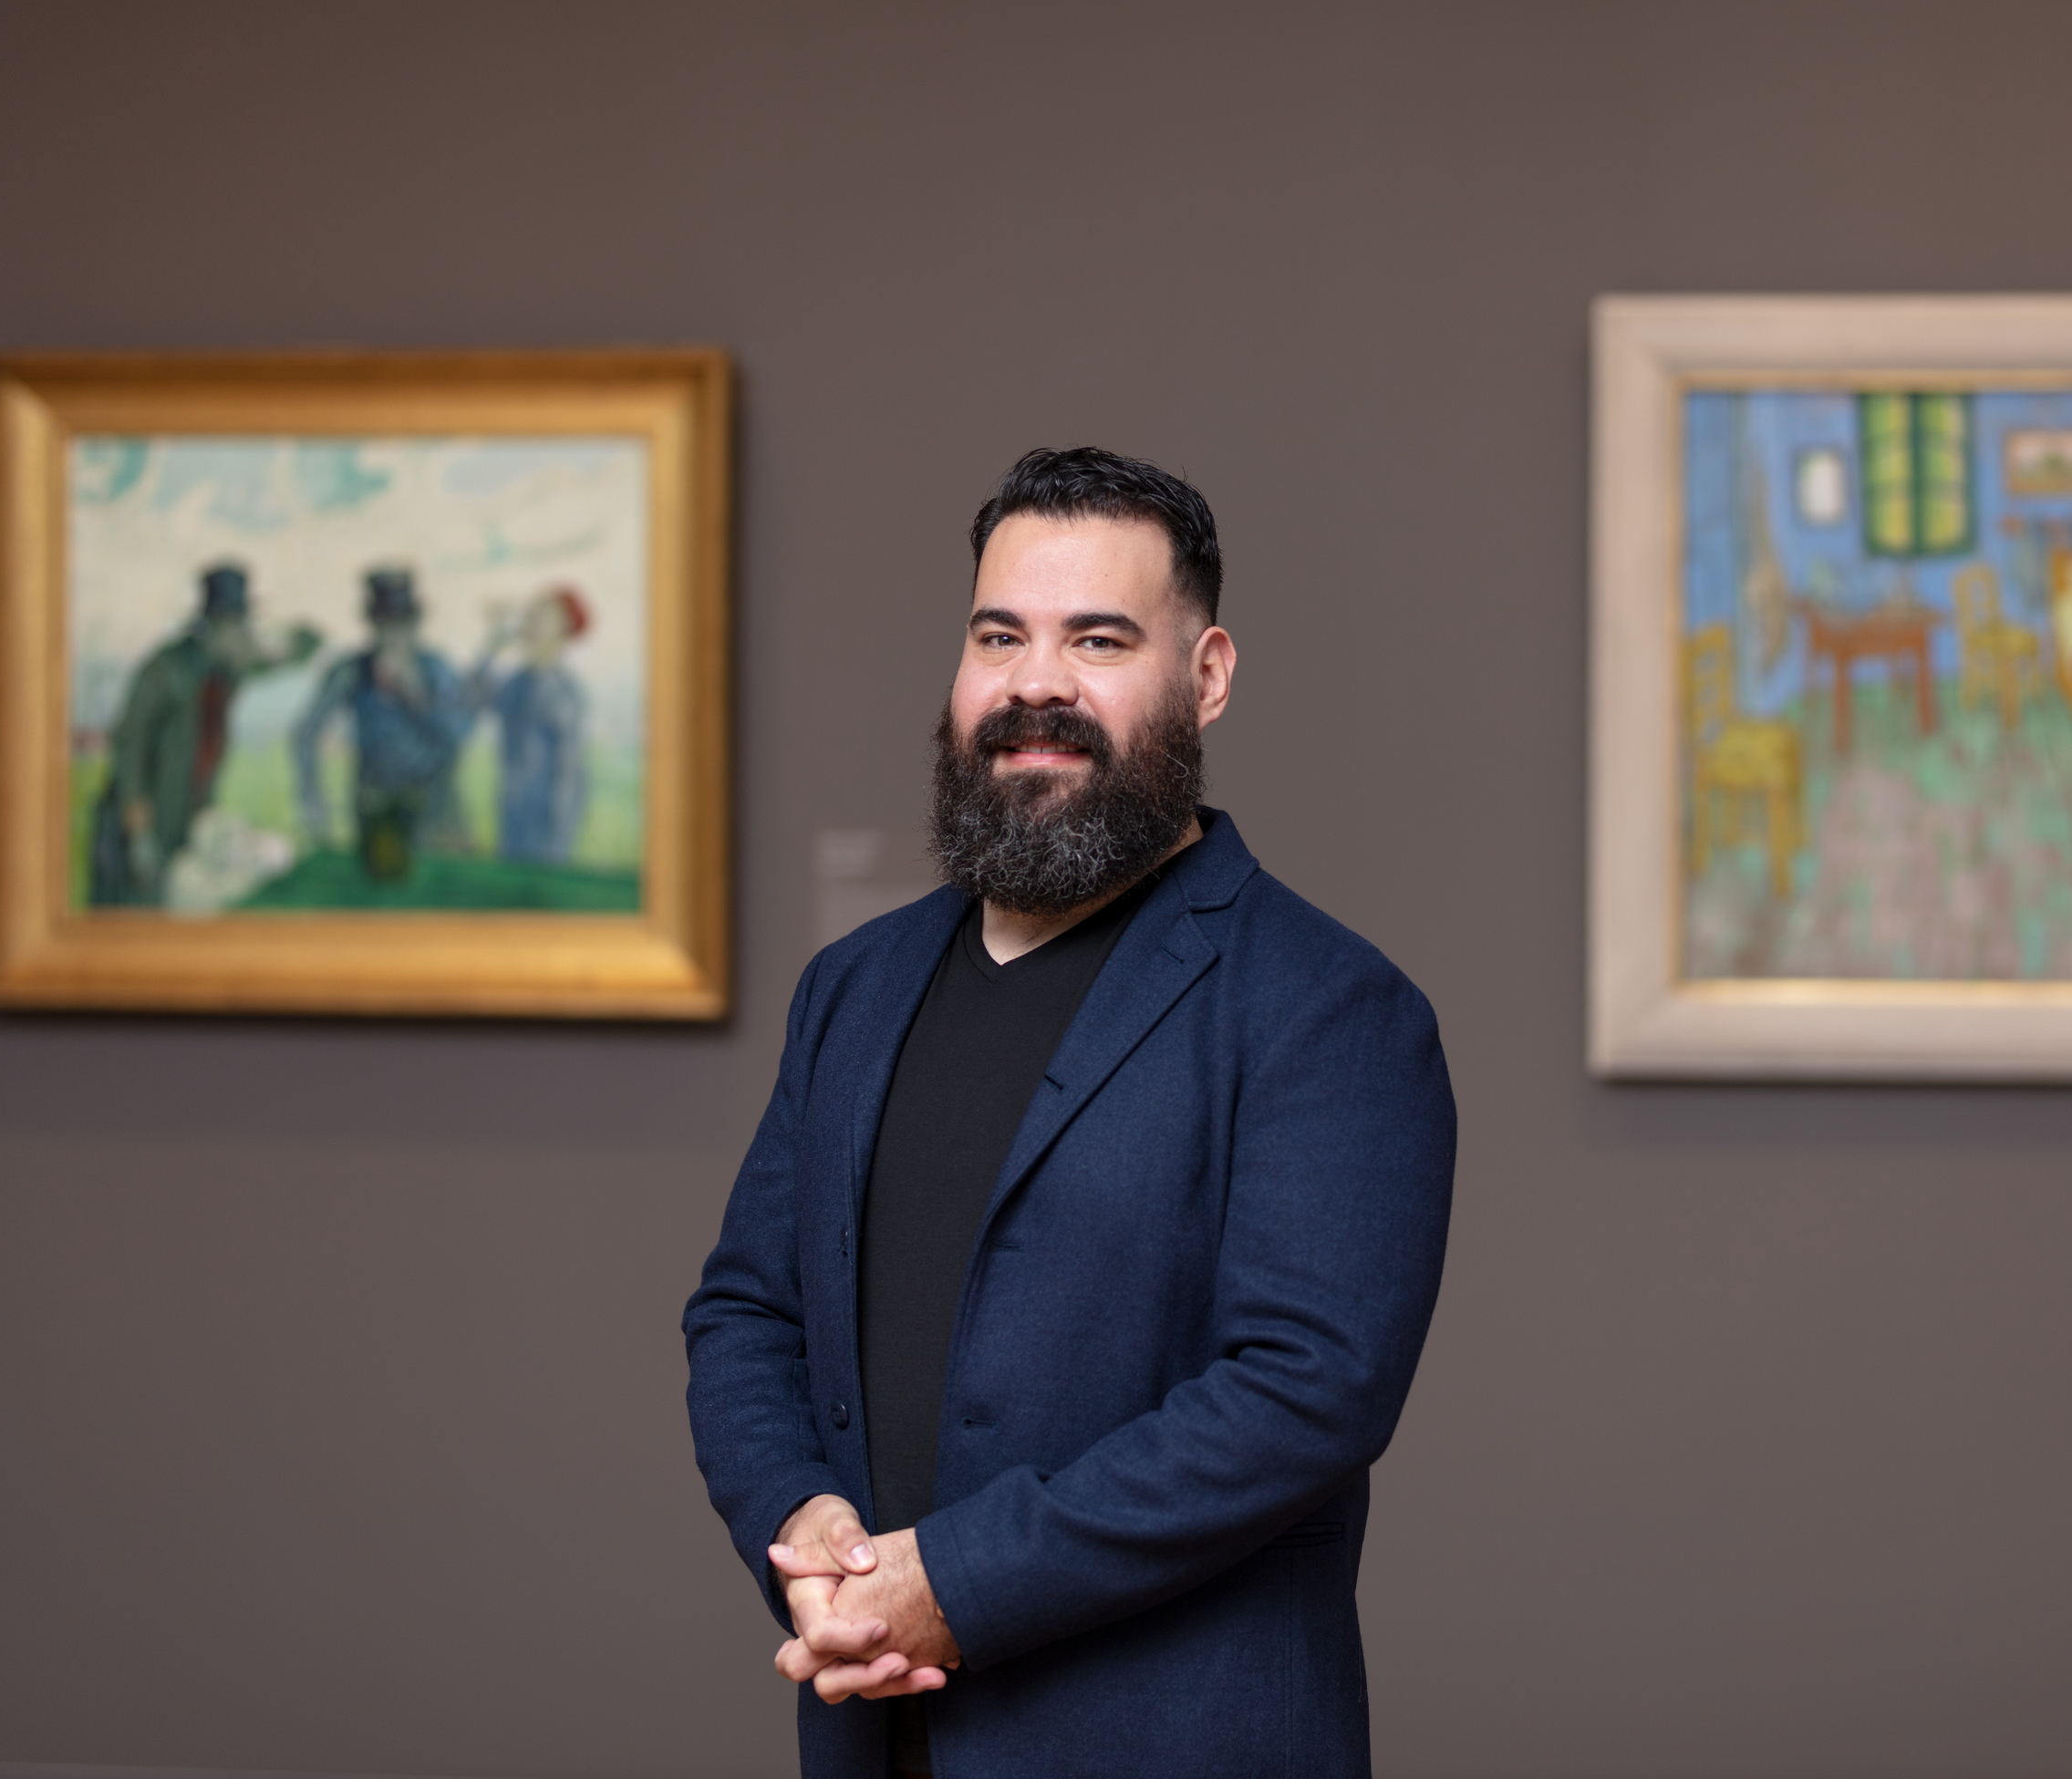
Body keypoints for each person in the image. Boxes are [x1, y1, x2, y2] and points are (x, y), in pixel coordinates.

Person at [684, 449, 1457, 1779]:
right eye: (1001, 635)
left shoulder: (1332, 1008)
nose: (1036, 684)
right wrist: (804, 1526)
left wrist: (957, 1584)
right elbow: (748, 1312)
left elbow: (1303, 1393)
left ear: (1206, 675)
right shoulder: (852, 990)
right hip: (874, 1740)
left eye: (1099, 639)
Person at [88, 561, 318, 906]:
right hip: (138, 824)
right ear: (210, 627)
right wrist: (137, 830)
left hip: (187, 816)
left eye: (244, 625)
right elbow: (129, 745)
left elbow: (282, 655)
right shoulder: (166, 671)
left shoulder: (226, 668)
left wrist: (296, 645)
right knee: (133, 921)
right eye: (235, 626)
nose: (243, 635)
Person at [291, 564, 478, 881]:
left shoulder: (436, 669)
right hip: (379, 808)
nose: (394, 637)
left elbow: (458, 735)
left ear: (416, 625)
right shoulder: (351, 671)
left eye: (402, 626)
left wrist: (416, 697)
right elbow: (305, 733)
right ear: (371, 627)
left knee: (454, 890)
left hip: (437, 804)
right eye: (384, 627)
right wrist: (313, 802)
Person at [476, 586, 592, 864]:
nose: (528, 624)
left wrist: (559, 823)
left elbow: (569, 769)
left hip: (547, 814)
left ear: (561, 631)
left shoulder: (564, 691)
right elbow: (471, 699)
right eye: (529, 616)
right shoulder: (514, 683)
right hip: (511, 808)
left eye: (540, 618)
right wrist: (491, 647)